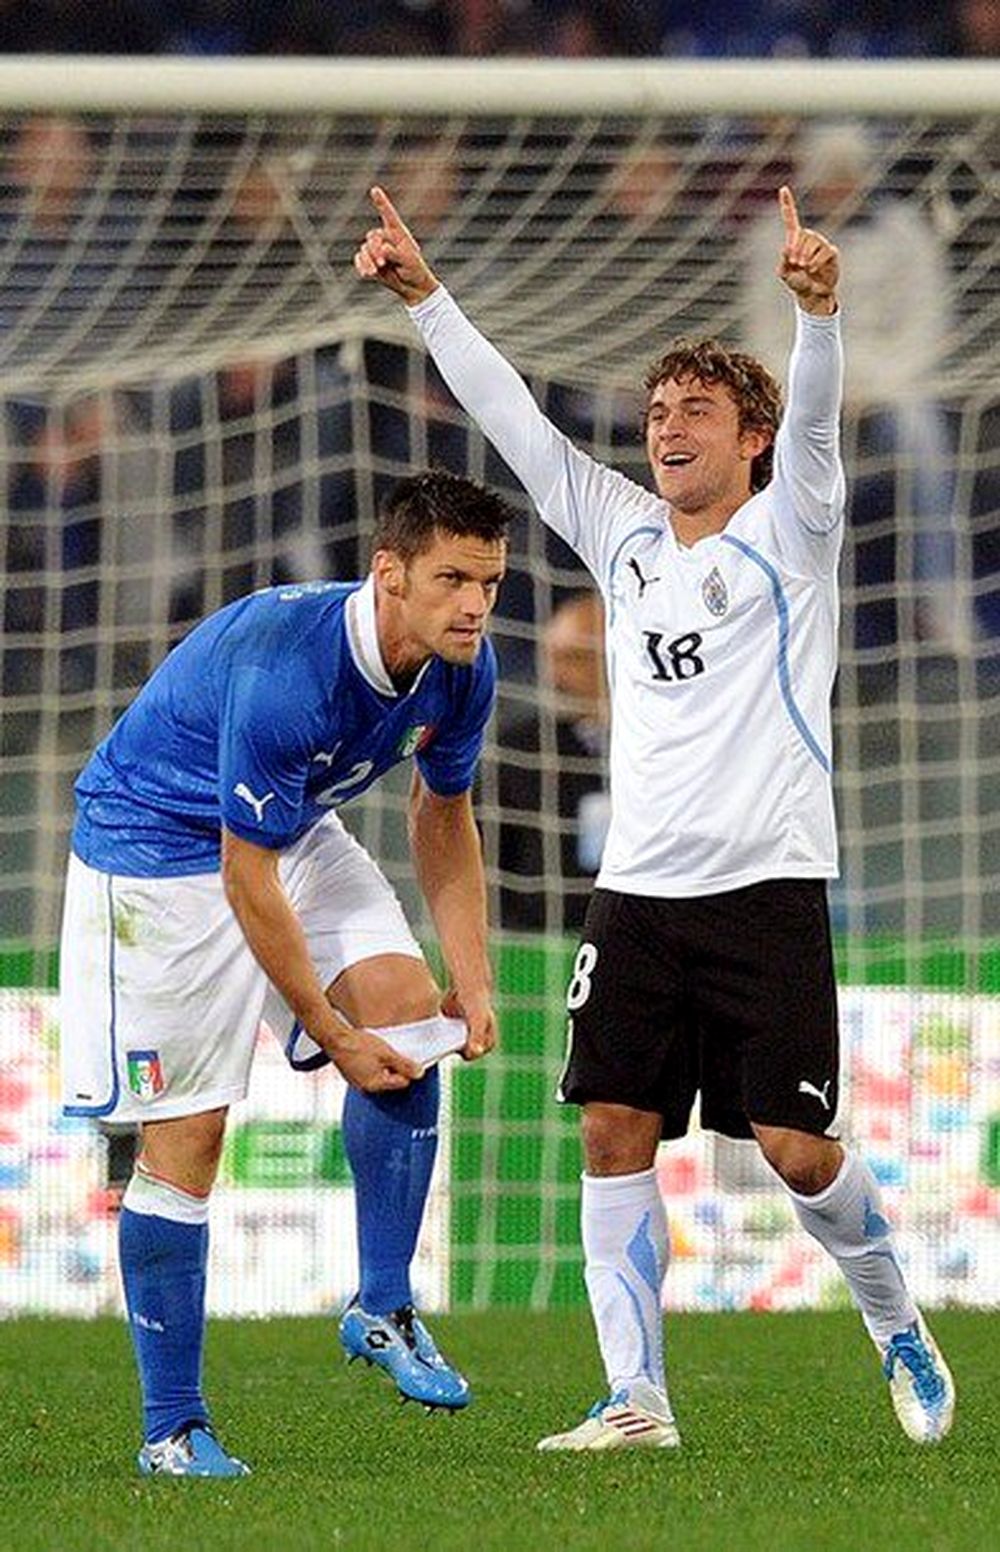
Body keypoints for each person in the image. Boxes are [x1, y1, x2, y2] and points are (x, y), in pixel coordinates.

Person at [354, 183, 956, 1450]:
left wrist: (819, 319)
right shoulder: (625, 533)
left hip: (765, 889)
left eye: (696, 412)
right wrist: (428, 300)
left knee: (796, 1149)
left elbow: (821, 426)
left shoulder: (792, 527)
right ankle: (636, 1397)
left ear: (752, 439)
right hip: (635, 896)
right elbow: (516, 427)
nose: (667, 428)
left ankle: (895, 1316)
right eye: (658, 412)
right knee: (612, 1130)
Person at [58, 468, 511, 1477]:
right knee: (189, 1139)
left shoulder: (462, 666)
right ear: (389, 574)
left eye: (489, 582)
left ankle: (382, 1306)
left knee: (409, 1022)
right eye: (452, 580)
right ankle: (173, 1429)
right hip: (154, 848)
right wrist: (328, 1031)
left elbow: (443, 813)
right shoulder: (288, 667)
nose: (474, 605)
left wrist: (472, 977)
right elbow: (243, 876)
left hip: (286, 831)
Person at [495, 590, 609, 932]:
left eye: (574, 658)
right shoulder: (520, 750)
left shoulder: (663, 745)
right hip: (539, 940)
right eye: (550, 658)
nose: (556, 676)